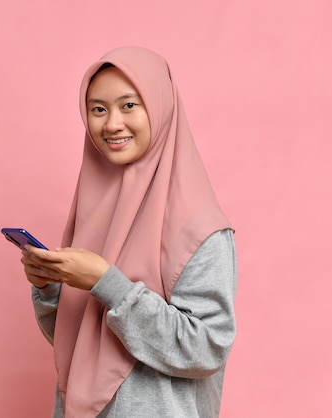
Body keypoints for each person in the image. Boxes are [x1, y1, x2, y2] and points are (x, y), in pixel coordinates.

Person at [20, 46, 237, 418]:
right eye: (98, 109)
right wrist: (48, 288)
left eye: (129, 105)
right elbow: (77, 341)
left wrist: (108, 284)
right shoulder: (94, 214)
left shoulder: (200, 227)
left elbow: (207, 348)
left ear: (160, 107)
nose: (112, 124)